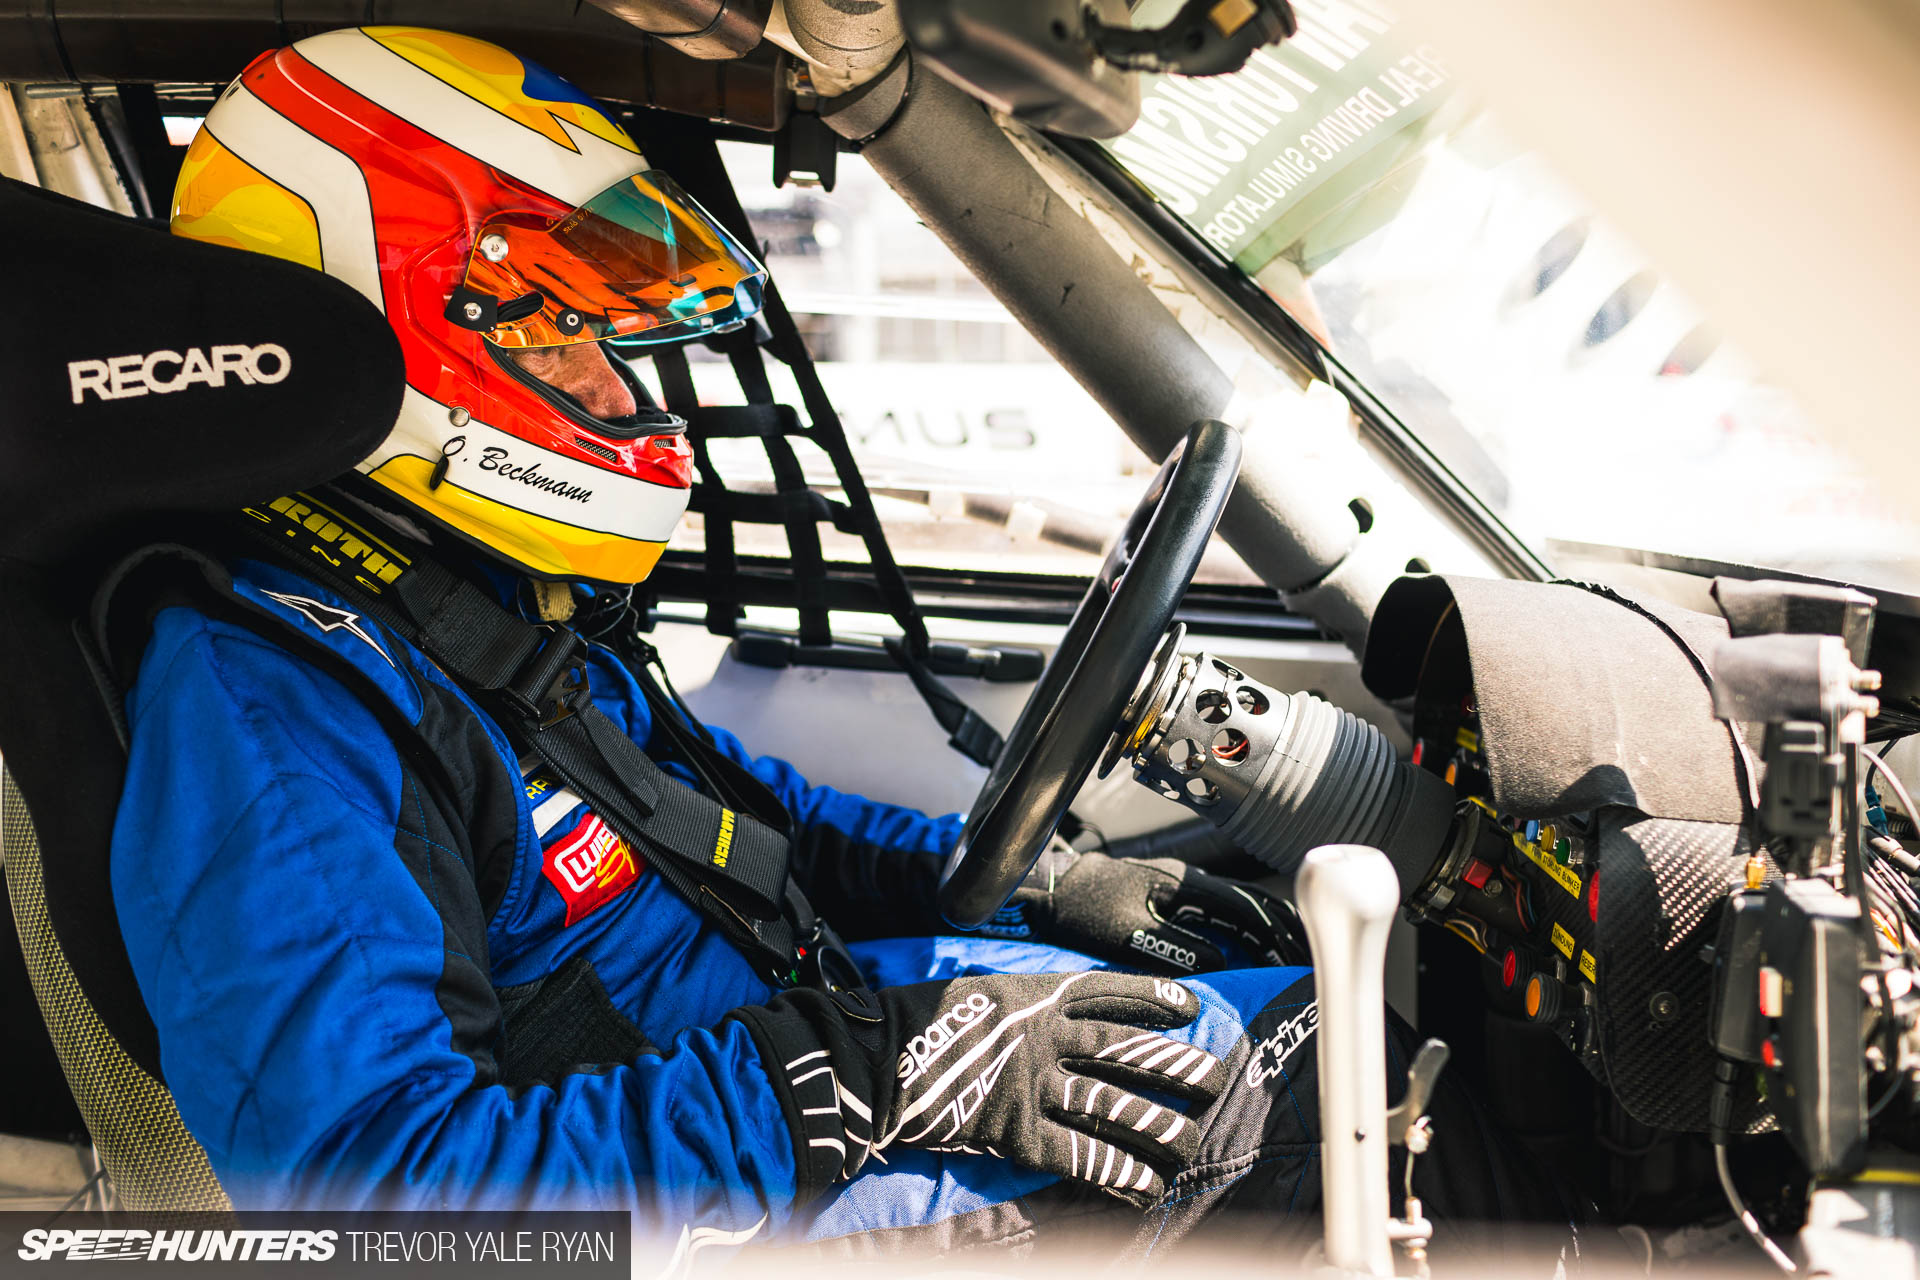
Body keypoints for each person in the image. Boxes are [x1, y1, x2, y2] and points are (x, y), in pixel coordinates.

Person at [118, 24, 1564, 1259]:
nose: (612, 386)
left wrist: (1035, 892)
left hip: (794, 1081)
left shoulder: (481, 606)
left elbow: (743, 823)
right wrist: (867, 1075)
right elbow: (381, 1211)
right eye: (559, 331)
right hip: (740, 1198)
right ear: (397, 324)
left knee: (1322, 1022)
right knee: (1311, 1097)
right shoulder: (269, 709)